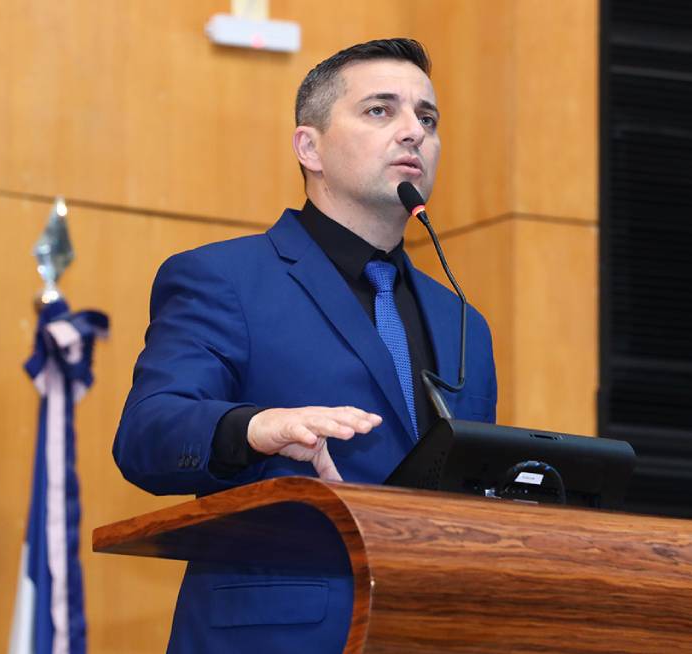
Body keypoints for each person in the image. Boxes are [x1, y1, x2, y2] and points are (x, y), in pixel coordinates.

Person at [114, 38, 497, 654]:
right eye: (380, 110)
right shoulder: (224, 279)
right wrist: (253, 427)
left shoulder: (463, 322)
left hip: (430, 630)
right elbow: (146, 433)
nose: (413, 132)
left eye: (427, 118)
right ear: (309, 148)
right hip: (275, 635)